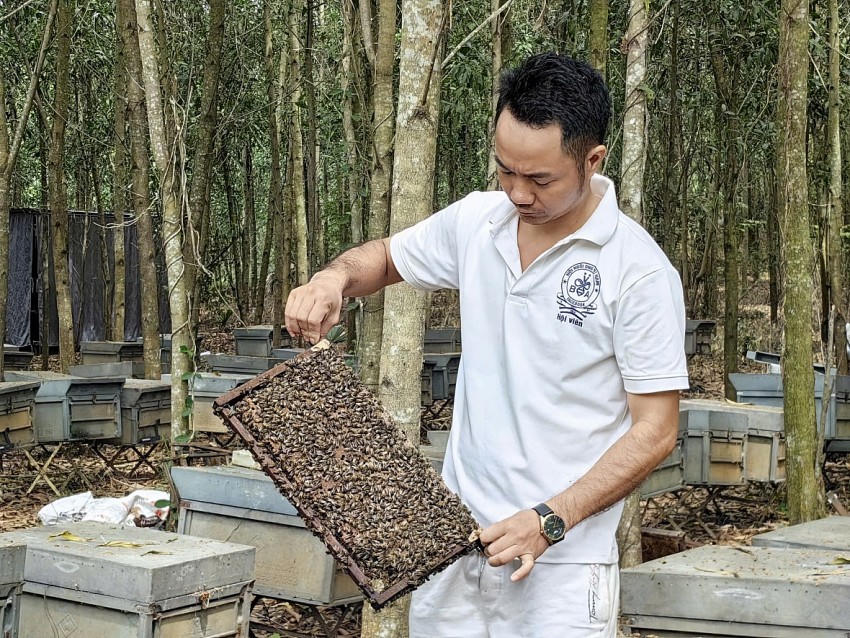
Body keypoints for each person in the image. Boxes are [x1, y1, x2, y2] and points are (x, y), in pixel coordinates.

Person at [284, 52, 688, 638]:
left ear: (592, 160)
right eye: (505, 171)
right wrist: (331, 280)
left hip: (561, 566)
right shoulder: (479, 221)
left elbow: (656, 430)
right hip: (454, 544)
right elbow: (386, 258)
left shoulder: (639, 272)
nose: (518, 193)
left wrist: (549, 520)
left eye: (540, 179)